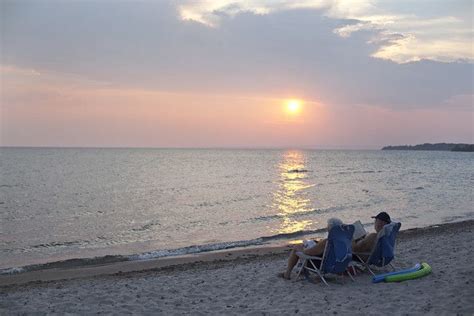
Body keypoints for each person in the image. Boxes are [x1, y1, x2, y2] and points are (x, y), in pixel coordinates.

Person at [279, 218, 343, 280]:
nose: (327, 227)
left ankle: (287, 274)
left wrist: (302, 249)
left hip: (320, 266)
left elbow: (309, 252)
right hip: (337, 265)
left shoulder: (327, 242)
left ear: (331, 228)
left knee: (297, 247)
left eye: (328, 225)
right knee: (306, 246)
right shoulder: (345, 241)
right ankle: (302, 271)